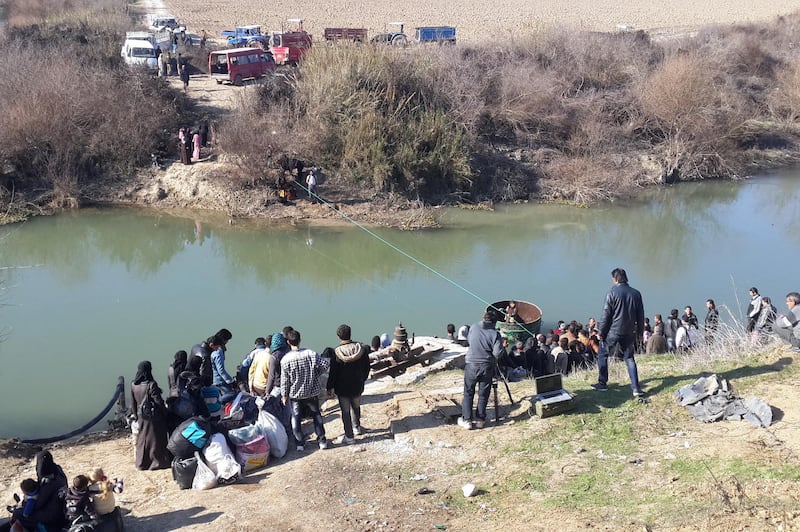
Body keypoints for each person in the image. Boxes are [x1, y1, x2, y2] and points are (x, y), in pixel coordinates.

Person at [592, 267, 646, 397]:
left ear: (615, 279)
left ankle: (602, 383)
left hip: (613, 331)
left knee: (602, 354)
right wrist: (640, 332)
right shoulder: (636, 293)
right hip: (629, 331)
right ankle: (636, 388)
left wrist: (601, 332)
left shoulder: (612, 292)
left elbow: (606, 315)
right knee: (629, 358)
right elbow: (640, 315)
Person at [281, 329, 330, 451]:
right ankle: (322, 440)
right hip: (312, 391)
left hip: (296, 394)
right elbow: (325, 365)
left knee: (296, 418)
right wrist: (316, 374)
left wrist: (284, 395)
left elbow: (285, 380)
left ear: (288, 342)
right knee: (316, 415)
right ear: (300, 340)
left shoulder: (285, 360)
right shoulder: (311, 353)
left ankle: (300, 444)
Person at [459, 310, 504, 430]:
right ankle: (480, 420)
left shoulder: (473, 327)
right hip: (486, 366)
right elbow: (498, 353)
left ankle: (467, 420)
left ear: (483, 318)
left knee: (468, 392)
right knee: (483, 394)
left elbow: (470, 341)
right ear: (495, 322)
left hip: (471, 364)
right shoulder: (495, 334)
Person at [326, 324, 371, 444]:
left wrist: (329, 387)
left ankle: (349, 436)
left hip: (342, 388)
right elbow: (367, 367)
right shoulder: (361, 349)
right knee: (356, 406)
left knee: (345, 412)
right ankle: (357, 428)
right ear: (350, 334)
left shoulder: (336, 353)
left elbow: (333, 373)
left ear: (338, 337)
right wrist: (363, 379)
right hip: (357, 385)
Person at [8, 451, 68, 532]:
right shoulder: (58, 471)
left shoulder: (48, 484)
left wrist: (22, 505)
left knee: (18, 513)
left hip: (51, 516)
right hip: (59, 509)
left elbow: (36, 505)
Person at [130, 361, 171, 470]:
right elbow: (158, 401)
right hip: (153, 417)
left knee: (142, 439)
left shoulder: (134, 384)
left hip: (140, 416)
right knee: (156, 439)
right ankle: (156, 462)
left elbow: (133, 403)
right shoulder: (151, 384)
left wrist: (136, 416)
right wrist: (165, 413)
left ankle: (141, 463)